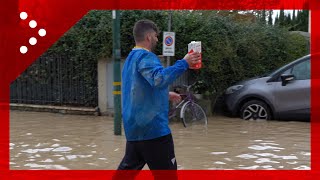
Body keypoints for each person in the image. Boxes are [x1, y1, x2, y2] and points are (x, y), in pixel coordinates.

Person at [114, 19, 201, 179]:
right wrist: (184, 63)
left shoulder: (130, 60)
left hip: (134, 131)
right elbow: (159, 79)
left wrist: (166, 95)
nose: (157, 39)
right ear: (148, 37)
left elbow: (136, 89)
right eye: (155, 36)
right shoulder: (146, 56)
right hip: (154, 131)